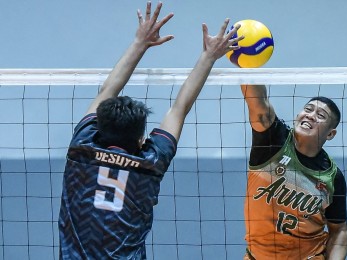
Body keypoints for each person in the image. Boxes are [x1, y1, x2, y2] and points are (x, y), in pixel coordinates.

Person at [58, 2, 244, 259]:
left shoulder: (83, 147)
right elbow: (179, 108)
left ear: (98, 125)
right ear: (141, 139)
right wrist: (208, 57)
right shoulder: (149, 163)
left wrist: (139, 42)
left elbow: (107, 91)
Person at [240, 84, 347, 260]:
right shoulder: (273, 140)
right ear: (298, 115)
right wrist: (246, 66)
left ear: (330, 134)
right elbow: (257, 101)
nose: (311, 115)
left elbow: (339, 229)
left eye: (320, 115)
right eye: (308, 109)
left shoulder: (332, 176)